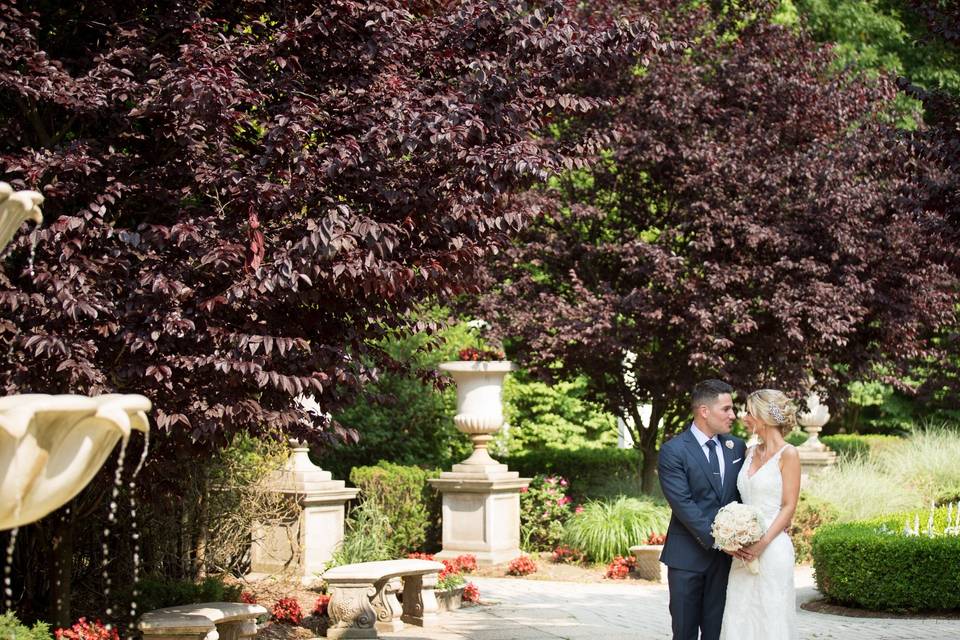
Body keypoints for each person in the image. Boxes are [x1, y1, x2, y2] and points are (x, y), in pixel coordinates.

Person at [658, 380, 748, 640]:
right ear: (704, 411)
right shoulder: (673, 451)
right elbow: (683, 504)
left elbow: (744, 494)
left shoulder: (737, 447)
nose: (733, 415)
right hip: (687, 558)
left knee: (717, 633)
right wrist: (721, 541)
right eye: (727, 409)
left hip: (725, 563)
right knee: (684, 633)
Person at [719, 389, 801, 640]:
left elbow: (789, 506)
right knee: (739, 613)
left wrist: (761, 543)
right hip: (743, 548)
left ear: (763, 418)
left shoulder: (789, 454)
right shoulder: (749, 451)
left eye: (749, 412)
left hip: (773, 548)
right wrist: (734, 535)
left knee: (771, 615)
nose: (743, 417)